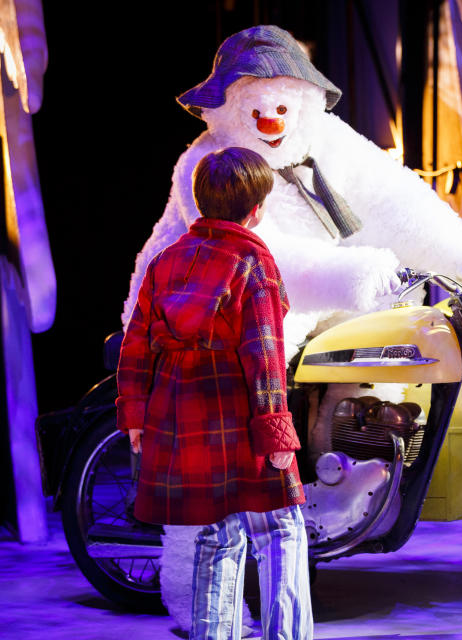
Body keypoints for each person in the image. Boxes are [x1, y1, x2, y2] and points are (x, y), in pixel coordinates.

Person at [115, 146, 312, 640]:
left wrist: (135, 415)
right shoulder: (251, 260)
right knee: (281, 531)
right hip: (238, 419)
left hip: (182, 423)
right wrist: (276, 435)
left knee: (215, 537)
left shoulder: (167, 260)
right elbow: (264, 355)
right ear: (256, 207)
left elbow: (135, 343)